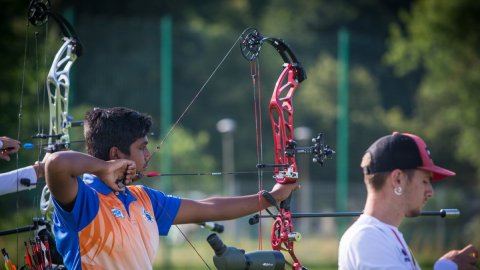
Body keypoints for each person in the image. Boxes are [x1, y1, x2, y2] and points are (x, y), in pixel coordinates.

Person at [45, 106, 298, 270]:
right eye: (142, 147)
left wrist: (272, 196)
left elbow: (207, 208)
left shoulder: (143, 198)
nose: (148, 155)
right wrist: (102, 168)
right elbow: (56, 164)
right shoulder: (85, 199)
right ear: (116, 153)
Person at [338, 132, 478, 270]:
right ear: (398, 179)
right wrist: (446, 268)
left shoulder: (383, 235)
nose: (430, 192)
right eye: (425, 181)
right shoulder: (367, 238)